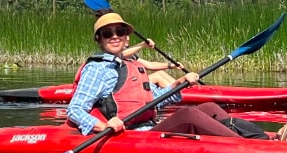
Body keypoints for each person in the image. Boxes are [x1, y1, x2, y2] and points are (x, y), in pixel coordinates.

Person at [66, 12, 266, 139]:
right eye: (108, 33)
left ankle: (253, 136)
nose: (115, 36)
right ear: (99, 40)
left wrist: (179, 83)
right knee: (188, 115)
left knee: (209, 107)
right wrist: (102, 125)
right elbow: (75, 109)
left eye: (119, 31)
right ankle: (249, 143)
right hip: (128, 136)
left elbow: (154, 100)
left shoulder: (133, 65)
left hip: (148, 128)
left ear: (127, 38)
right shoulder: (97, 69)